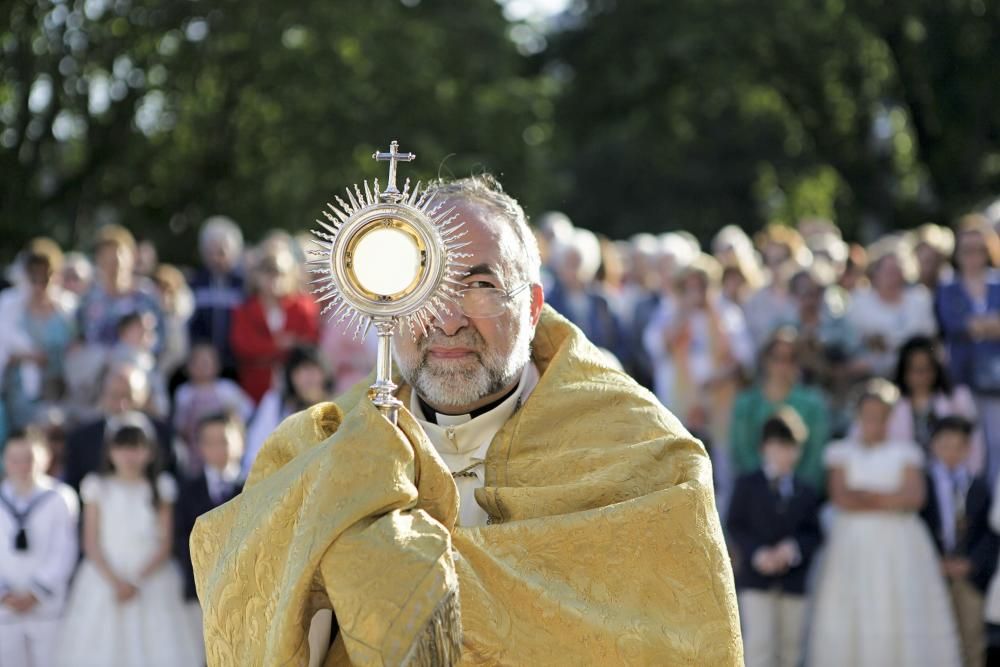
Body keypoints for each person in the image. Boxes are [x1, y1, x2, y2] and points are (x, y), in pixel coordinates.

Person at [191, 175, 743, 666]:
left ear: (531, 306)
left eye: (479, 285)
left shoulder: (641, 453)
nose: (448, 319)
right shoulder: (319, 451)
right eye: (424, 283)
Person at [809, 379, 961, 667]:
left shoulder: (907, 452)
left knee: (899, 607)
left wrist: (866, 495)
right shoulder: (840, 451)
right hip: (852, 545)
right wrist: (889, 498)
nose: (873, 423)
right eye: (868, 416)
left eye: (880, 416)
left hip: (900, 547)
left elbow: (913, 497)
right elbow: (841, 497)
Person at [56, 419, 198, 666]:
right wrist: (115, 581)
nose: (129, 455)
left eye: (137, 447)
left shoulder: (162, 487)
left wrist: (136, 580)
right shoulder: (97, 487)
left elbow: (165, 544)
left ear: (150, 452)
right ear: (110, 452)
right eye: (122, 448)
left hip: (151, 576)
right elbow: (90, 542)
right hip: (104, 576)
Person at [726, 409, 821, 667]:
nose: (784, 453)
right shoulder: (746, 484)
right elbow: (735, 525)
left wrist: (792, 549)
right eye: (778, 445)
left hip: (793, 581)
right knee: (759, 644)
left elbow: (814, 533)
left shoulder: (807, 490)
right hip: (755, 579)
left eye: (791, 447)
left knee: (791, 648)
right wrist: (757, 553)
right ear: (763, 447)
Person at [0, 428, 79, 667]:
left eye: (30, 459)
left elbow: (64, 550)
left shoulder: (60, 497)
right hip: (5, 608)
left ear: (46, 458)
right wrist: (5, 593)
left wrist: (37, 591)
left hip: (47, 606)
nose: (22, 467)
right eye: (15, 460)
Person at [920, 416, 995, 667]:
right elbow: (918, 529)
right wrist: (934, 561)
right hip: (932, 576)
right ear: (934, 446)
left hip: (969, 577)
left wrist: (971, 562)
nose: (951, 453)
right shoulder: (923, 485)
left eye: (958, 446)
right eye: (945, 445)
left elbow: (990, 533)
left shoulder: (979, 486)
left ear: (968, 449)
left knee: (972, 640)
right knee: (934, 640)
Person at [175, 412, 245, 663]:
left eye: (224, 441)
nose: (217, 448)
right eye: (209, 442)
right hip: (201, 590)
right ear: (200, 447)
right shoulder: (186, 489)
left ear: (241, 442)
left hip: (246, 588)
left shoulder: (255, 485)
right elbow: (180, 537)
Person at [936, 214, 1000, 484]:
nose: (973, 256)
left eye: (979, 249)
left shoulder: (998, 283)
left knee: (996, 444)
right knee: (969, 445)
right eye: (967, 250)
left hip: (996, 380)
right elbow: (954, 325)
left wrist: (977, 326)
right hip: (962, 377)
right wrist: (988, 325)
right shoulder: (948, 288)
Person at [730, 328, 830, 493]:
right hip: (754, 494)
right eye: (777, 358)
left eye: (791, 359)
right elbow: (741, 454)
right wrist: (764, 487)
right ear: (765, 360)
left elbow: (815, 458)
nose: (783, 365)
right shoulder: (745, 404)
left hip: (800, 497)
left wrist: (795, 492)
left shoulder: (814, 404)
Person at [63, 360, 176, 492]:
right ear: (103, 396)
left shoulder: (163, 434)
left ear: (144, 396)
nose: (122, 405)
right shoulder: (81, 439)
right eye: (114, 396)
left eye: (129, 396)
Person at [230, 245, 320, 403]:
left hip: (296, 390)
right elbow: (243, 345)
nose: (274, 279)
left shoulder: (304, 308)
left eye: (280, 273)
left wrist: (269, 350)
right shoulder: (244, 310)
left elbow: (310, 343)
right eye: (268, 272)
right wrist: (280, 345)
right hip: (255, 388)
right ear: (257, 276)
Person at [890, 336, 981, 469]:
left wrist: (971, 479)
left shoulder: (958, 398)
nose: (922, 376)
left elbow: (975, 442)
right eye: (915, 369)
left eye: (927, 368)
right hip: (910, 478)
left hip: (952, 478)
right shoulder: (892, 405)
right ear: (904, 372)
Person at [241, 345, 330, 477]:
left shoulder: (340, 403)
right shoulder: (275, 404)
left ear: (324, 373)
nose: (307, 377)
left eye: (312, 369)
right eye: (299, 371)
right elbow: (255, 453)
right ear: (290, 377)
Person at [847, 247, 936, 377]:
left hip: (912, 369)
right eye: (888, 271)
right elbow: (853, 339)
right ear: (875, 273)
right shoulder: (859, 301)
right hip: (871, 371)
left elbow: (928, 335)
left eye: (897, 271)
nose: (893, 277)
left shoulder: (920, 298)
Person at [173, 343, 253, 472]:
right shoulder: (184, 393)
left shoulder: (227, 389)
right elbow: (180, 424)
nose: (202, 368)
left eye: (206, 363)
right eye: (197, 363)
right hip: (195, 449)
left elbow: (246, 413)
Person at [188, 216, 246, 376]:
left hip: (237, 365)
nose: (216, 257)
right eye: (210, 251)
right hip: (203, 366)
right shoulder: (194, 283)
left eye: (221, 251)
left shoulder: (244, 284)